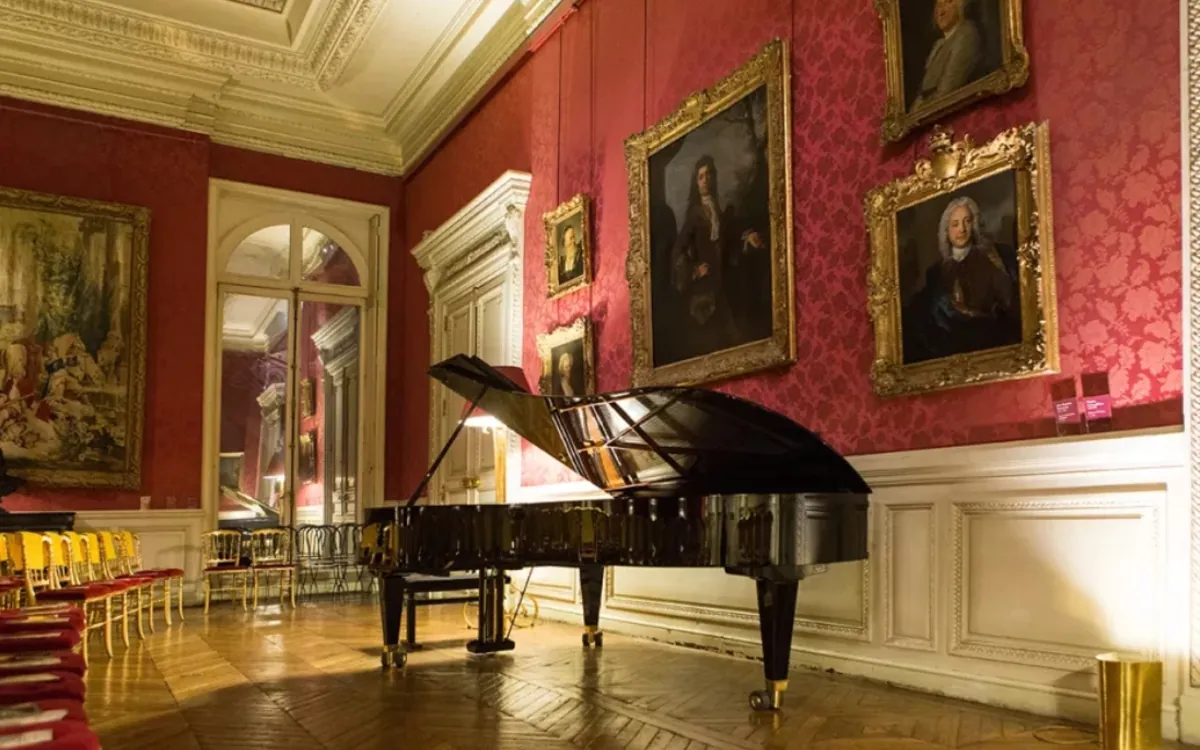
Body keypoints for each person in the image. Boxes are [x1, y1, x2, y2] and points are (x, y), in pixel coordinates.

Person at [901, 195, 1021, 363]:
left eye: (967, 221)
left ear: (974, 224)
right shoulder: (936, 273)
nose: (962, 229)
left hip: (991, 349)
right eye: (955, 224)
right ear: (946, 230)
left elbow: (1009, 305)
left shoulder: (995, 257)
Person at [669, 155, 765, 354]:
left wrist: (747, 238)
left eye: (709, 175)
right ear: (696, 182)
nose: (706, 180)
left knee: (735, 338)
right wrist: (694, 270)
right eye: (701, 176)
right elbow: (678, 250)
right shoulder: (694, 215)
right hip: (704, 290)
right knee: (709, 341)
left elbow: (729, 236)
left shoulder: (719, 211)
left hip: (724, 283)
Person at [912, 0, 983, 110]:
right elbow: (922, 92)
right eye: (938, 5)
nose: (941, 12)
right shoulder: (938, 44)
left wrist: (919, 111)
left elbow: (947, 90)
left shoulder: (966, 34)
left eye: (948, 2)